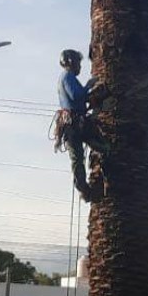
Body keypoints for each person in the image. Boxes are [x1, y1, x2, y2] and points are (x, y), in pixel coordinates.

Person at [55, 49, 109, 201]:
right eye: (78, 63)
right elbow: (77, 95)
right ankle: (87, 187)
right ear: (71, 62)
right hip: (76, 126)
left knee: (78, 158)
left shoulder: (64, 77)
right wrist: (89, 86)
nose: (80, 66)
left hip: (73, 125)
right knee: (102, 148)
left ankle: (85, 188)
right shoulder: (68, 77)